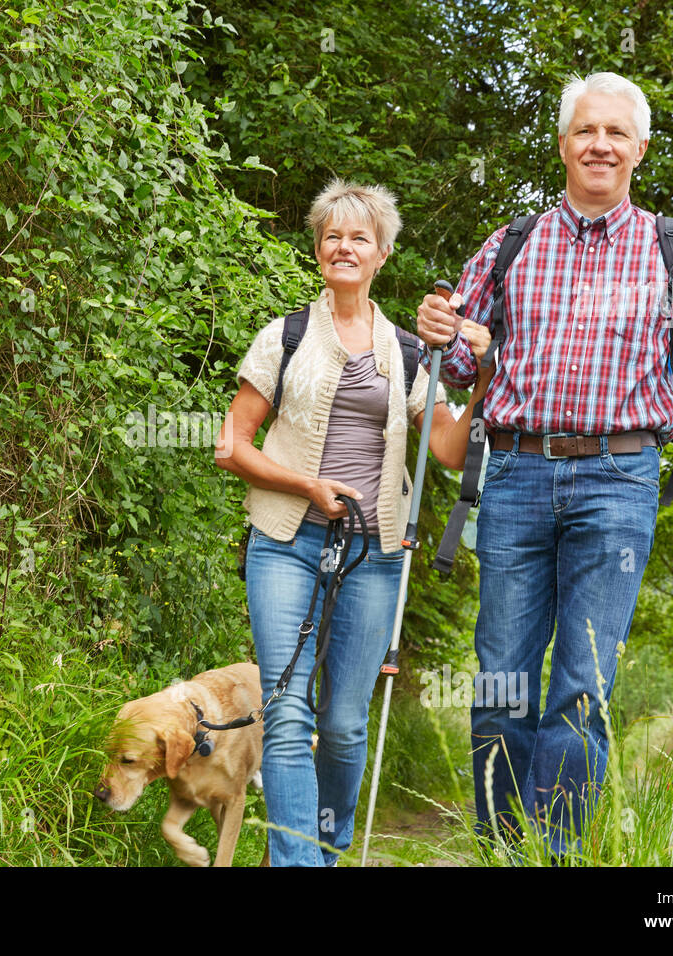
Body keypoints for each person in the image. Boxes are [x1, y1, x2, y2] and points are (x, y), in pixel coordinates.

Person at [415, 72, 673, 857]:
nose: (599, 145)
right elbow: (458, 369)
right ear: (565, 143)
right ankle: (500, 845)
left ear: (639, 149)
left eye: (615, 133)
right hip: (513, 475)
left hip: (620, 478)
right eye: (585, 131)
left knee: (583, 681)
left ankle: (558, 850)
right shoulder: (509, 244)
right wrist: (436, 330)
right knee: (502, 674)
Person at [216, 178, 492, 866]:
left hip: (376, 552)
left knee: (341, 724)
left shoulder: (408, 354)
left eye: (359, 237)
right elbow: (233, 445)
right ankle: (298, 861)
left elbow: (451, 450)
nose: (344, 246)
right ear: (317, 252)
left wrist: (483, 374)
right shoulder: (284, 336)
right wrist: (307, 484)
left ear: (381, 255)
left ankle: (329, 847)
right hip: (284, 542)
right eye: (332, 236)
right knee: (286, 712)